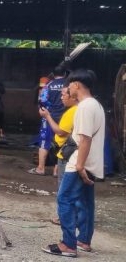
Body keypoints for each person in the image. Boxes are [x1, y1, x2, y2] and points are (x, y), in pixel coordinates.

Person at [43, 69, 105, 258]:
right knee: (85, 202)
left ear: (76, 85)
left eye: (69, 85)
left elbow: (84, 139)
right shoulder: (96, 105)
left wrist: (78, 166)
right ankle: (83, 240)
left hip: (79, 163)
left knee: (64, 199)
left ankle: (68, 244)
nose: (68, 89)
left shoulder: (85, 107)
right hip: (92, 162)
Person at [39, 86, 78, 226]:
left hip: (67, 152)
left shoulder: (73, 112)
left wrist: (48, 116)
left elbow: (60, 131)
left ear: (73, 96)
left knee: (64, 190)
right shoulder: (75, 110)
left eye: (63, 95)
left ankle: (64, 218)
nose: (61, 97)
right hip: (68, 152)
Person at [29, 66, 68, 176]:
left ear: (53, 74)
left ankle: (41, 168)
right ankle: (57, 170)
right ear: (65, 73)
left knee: (44, 142)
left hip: (49, 117)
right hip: (64, 118)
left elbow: (42, 101)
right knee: (61, 143)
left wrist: (44, 111)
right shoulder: (68, 85)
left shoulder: (48, 85)